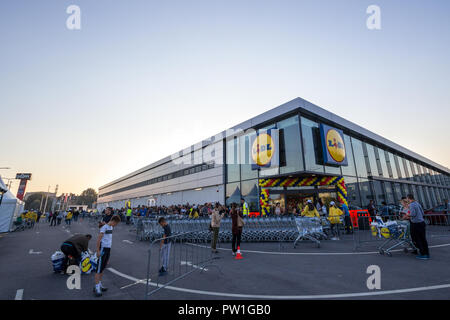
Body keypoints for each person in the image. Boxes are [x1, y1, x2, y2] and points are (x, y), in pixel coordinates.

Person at [94, 214, 121, 297]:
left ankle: (99, 284)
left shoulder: (111, 227)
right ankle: (96, 287)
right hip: (102, 249)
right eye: (115, 224)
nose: (115, 225)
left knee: (102, 268)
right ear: (113, 221)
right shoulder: (104, 227)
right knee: (99, 269)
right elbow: (99, 240)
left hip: (108, 249)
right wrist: (98, 251)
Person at [404, 194, 430, 260]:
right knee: (423, 239)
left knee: (417, 239)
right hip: (421, 223)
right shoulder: (417, 203)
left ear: (408, 198)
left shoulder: (412, 205)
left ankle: (423, 254)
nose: (406, 200)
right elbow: (422, 213)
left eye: (407, 198)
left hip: (416, 224)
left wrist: (407, 214)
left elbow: (413, 214)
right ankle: (426, 253)